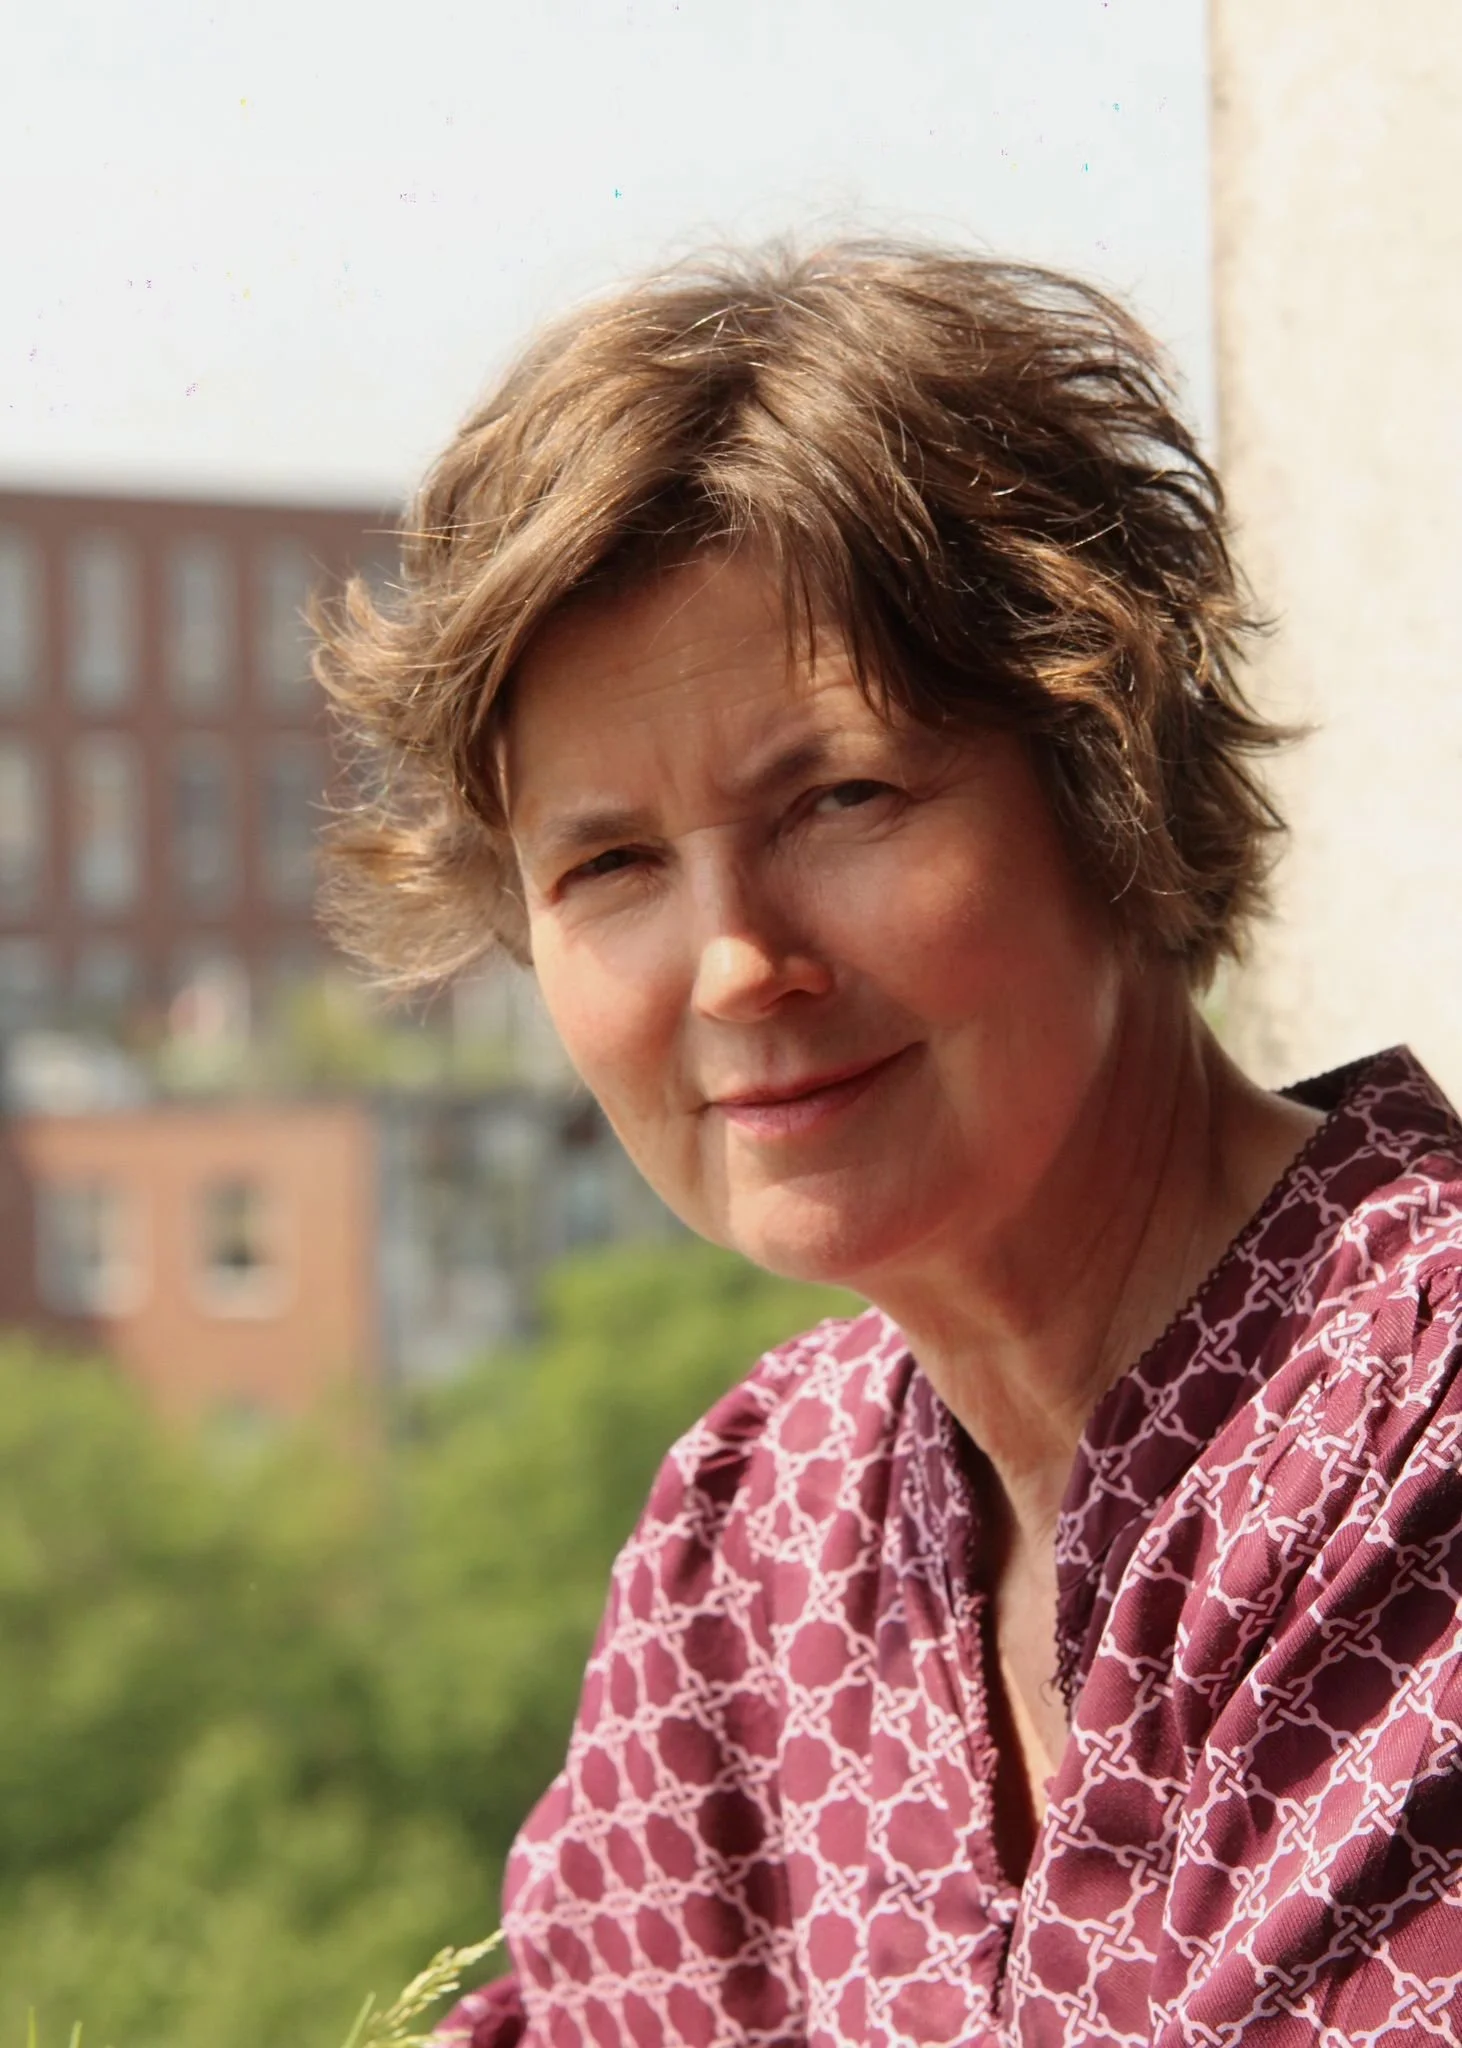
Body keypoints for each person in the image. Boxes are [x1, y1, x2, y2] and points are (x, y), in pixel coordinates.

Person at [317, 243, 1462, 2047]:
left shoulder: (1425, 1420)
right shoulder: (752, 1531)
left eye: (841, 797)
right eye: (609, 865)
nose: (736, 965)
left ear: (1109, 780)